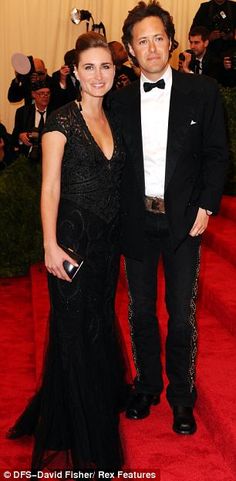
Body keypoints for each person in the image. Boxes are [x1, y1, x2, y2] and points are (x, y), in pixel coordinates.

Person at [7, 32, 126, 472]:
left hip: (107, 247)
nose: (98, 75)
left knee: (94, 329)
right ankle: (88, 441)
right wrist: (49, 245)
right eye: (89, 67)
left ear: (115, 71)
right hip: (72, 243)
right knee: (78, 337)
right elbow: (50, 188)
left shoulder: (113, 118)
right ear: (74, 72)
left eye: (106, 67)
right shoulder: (60, 121)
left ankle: (57, 417)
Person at [111, 0, 228, 435]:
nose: (152, 47)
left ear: (170, 41)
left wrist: (207, 206)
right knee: (140, 311)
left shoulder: (204, 91)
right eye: (142, 41)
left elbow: (218, 156)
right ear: (130, 49)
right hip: (137, 221)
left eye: (158, 37)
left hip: (184, 222)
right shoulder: (119, 104)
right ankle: (146, 385)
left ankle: (182, 396)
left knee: (181, 314)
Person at [12, 80, 52, 161]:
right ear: (33, 94)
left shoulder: (55, 112)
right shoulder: (22, 112)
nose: (45, 96)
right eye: (41, 93)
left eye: (47, 93)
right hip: (28, 156)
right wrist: (20, 136)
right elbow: (14, 136)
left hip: (50, 155)